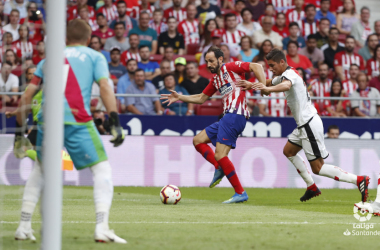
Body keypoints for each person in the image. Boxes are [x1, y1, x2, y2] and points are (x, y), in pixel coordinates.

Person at [13, 19, 126, 243]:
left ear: (65, 38)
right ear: (88, 37)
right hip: (77, 119)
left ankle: (23, 226)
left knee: (40, 171)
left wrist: (20, 132)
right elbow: (105, 86)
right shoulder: (95, 56)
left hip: (47, 122)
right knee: (101, 170)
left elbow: (27, 96)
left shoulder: (47, 60)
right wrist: (114, 120)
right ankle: (102, 227)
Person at [237, 48, 370, 203]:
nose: (270, 69)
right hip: (304, 124)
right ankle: (311, 186)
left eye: (272, 65)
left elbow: (285, 86)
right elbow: (267, 82)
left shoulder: (290, 75)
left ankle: (359, 180)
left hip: (308, 124)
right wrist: (252, 85)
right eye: (269, 66)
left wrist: (267, 89)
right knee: (288, 151)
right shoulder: (284, 74)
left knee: (318, 168)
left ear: (282, 62)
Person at [160, 46, 267, 203]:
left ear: (220, 59)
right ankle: (219, 167)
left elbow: (257, 66)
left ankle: (240, 192)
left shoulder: (230, 67)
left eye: (211, 61)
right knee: (198, 140)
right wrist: (180, 97)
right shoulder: (216, 79)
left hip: (235, 115)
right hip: (227, 117)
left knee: (220, 154)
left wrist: (262, 85)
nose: (209, 64)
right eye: (207, 62)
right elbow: (201, 98)